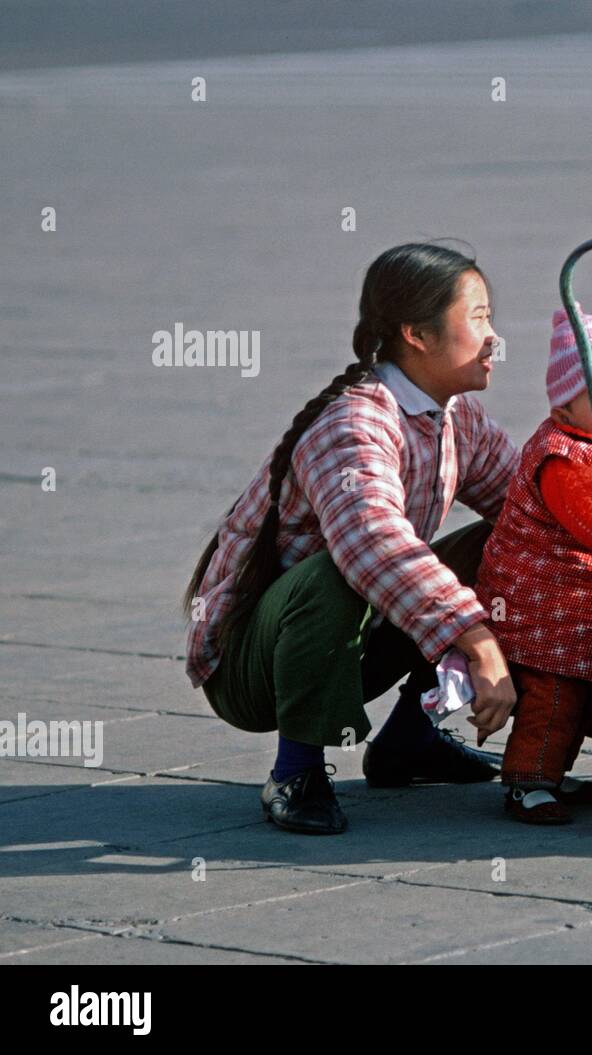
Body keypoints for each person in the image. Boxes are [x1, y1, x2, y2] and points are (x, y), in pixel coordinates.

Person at [183, 243, 519, 835]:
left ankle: (410, 742)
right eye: (479, 317)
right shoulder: (354, 424)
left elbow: (527, 505)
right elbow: (376, 547)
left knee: (510, 541)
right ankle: (295, 772)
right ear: (417, 333)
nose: (494, 337)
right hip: (253, 667)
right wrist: (481, 642)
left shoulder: (454, 416)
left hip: (353, 640)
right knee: (338, 572)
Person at [475, 307, 592, 824]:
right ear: (566, 410)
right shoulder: (562, 457)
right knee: (556, 693)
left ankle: (577, 762)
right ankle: (528, 781)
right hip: (542, 606)